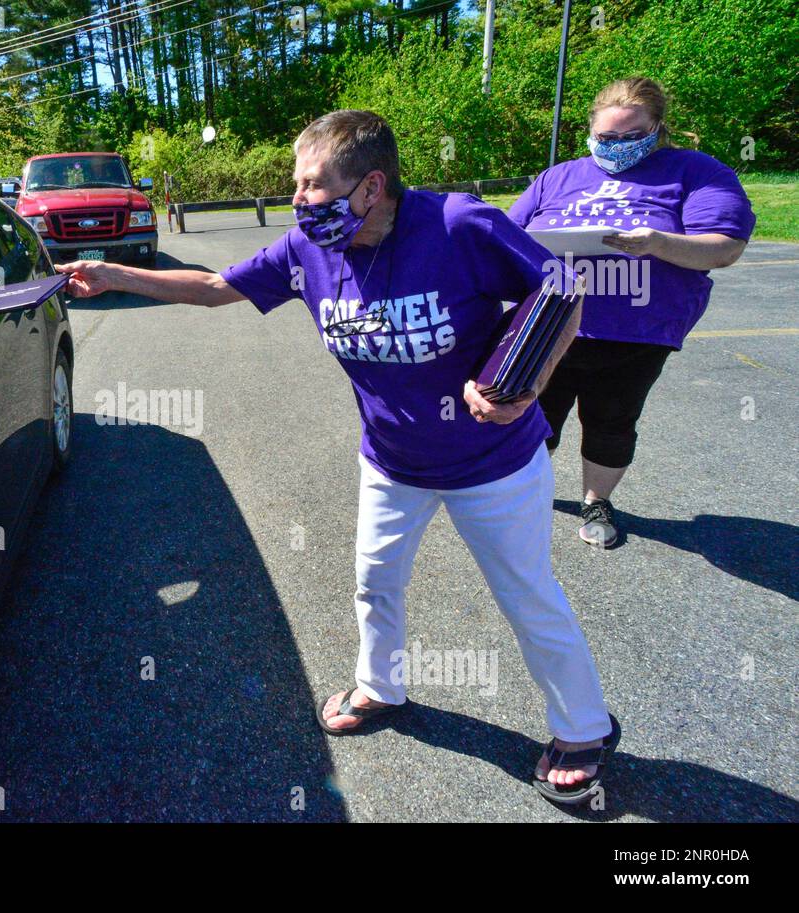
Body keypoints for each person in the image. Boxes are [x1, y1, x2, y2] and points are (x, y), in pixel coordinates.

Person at [56, 109, 620, 806]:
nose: (299, 199)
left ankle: (582, 728)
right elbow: (213, 288)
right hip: (391, 461)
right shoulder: (306, 249)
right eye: (295, 183)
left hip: (493, 461)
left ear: (371, 186)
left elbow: (562, 288)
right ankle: (381, 685)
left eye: (314, 184)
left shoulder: (458, 225)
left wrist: (525, 381)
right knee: (374, 582)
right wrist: (115, 275)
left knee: (526, 594)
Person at [508, 77, 755, 547]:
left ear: (657, 128)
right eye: (606, 138)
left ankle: (596, 500)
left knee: (610, 419)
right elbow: (509, 236)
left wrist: (658, 243)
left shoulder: (696, 171)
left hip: (635, 330)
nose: (617, 146)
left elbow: (723, 248)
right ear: (590, 132)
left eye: (631, 136)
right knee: (528, 413)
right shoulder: (559, 176)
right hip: (549, 322)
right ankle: (521, 498)